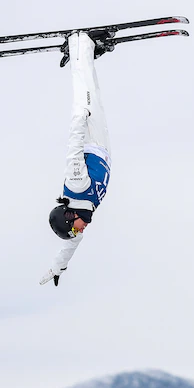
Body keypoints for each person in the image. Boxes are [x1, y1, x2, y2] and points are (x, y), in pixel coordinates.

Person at [39, 32, 113, 287]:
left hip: (90, 136)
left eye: (74, 228)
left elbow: (73, 149)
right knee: (97, 93)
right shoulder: (85, 211)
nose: (80, 231)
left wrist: (80, 117)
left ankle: (79, 43)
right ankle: (89, 53)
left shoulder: (76, 186)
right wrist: (57, 267)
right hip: (103, 147)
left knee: (86, 94)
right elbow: (69, 248)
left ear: (69, 217)